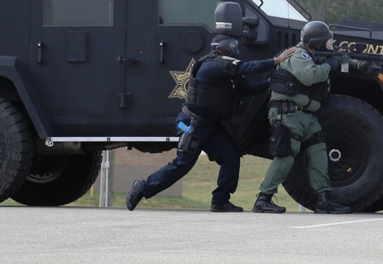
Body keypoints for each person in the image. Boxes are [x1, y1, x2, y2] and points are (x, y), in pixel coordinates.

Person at [126, 38, 296, 212]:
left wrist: (270, 84)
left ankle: (220, 201)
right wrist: (275, 61)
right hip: (189, 124)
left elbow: (247, 89)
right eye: (233, 50)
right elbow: (243, 67)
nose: (236, 53)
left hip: (211, 126)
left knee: (230, 157)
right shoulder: (212, 65)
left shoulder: (228, 74)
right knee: (182, 164)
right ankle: (141, 188)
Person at [252, 21, 369, 214]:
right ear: (316, 43)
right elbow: (310, 75)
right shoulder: (299, 55)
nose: (331, 46)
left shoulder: (315, 55)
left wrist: (352, 63)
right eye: (328, 43)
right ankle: (263, 198)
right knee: (286, 156)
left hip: (306, 116)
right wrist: (331, 66)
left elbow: (337, 62)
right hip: (288, 114)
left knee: (319, 153)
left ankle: (323, 200)